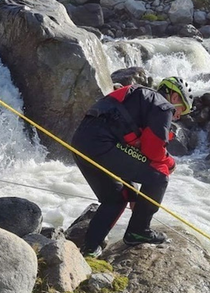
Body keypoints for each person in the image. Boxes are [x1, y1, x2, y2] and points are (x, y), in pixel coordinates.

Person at [71, 76, 193, 257]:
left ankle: (89, 250)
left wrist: (134, 194)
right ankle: (138, 231)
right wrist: (170, 162)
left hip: (82, 143)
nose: (178, 116)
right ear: (174, 97)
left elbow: (127, 155)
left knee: (116, 197)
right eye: (181, 109)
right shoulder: (162, 106)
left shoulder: (138, 98)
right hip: (104, 145)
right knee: (159, 176)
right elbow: (153, 151)